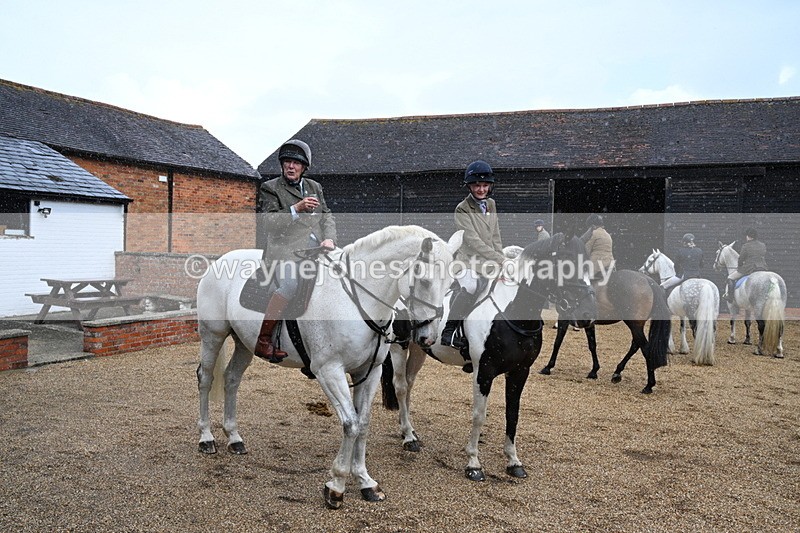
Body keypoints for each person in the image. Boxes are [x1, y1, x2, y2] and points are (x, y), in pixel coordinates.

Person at [254, 139, 337, 362]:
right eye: (287, 162)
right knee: (290, 285)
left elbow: (326, 215)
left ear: (304, 167)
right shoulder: (270, 188)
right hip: (285, 251)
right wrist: (295, 209)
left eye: (296, 163)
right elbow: (269, 223)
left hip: (316, 249)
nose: (291, 166)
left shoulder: (314, 187)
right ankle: (264, 340)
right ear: (282, 165)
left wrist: (329, 238)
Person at [441, 160, 506, 352]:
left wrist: (501, 260)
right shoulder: (462, 208)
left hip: (490, 261)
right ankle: (449, 331)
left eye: (485, 185)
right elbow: (473, 241)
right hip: (468, 262)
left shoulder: (491, 204)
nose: (481, 189)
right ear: (469, 186)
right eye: (477, 185)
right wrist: (498, 259)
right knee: (471, 287)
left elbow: (495, 236)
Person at [725, 227, 767, 302]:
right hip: (762, 268)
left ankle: (730, 297)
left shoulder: (746, 246)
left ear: (748, 236)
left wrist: (740, 266)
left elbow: (741, 259)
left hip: (749, 268)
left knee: (730, 277)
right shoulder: (762, 245)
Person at [582, 214, 615, 279]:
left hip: (597, 265)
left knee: (583, 277)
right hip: (610, 264)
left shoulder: (593, 233)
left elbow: (586, 251)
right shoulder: (607, 234)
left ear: (592, 226)